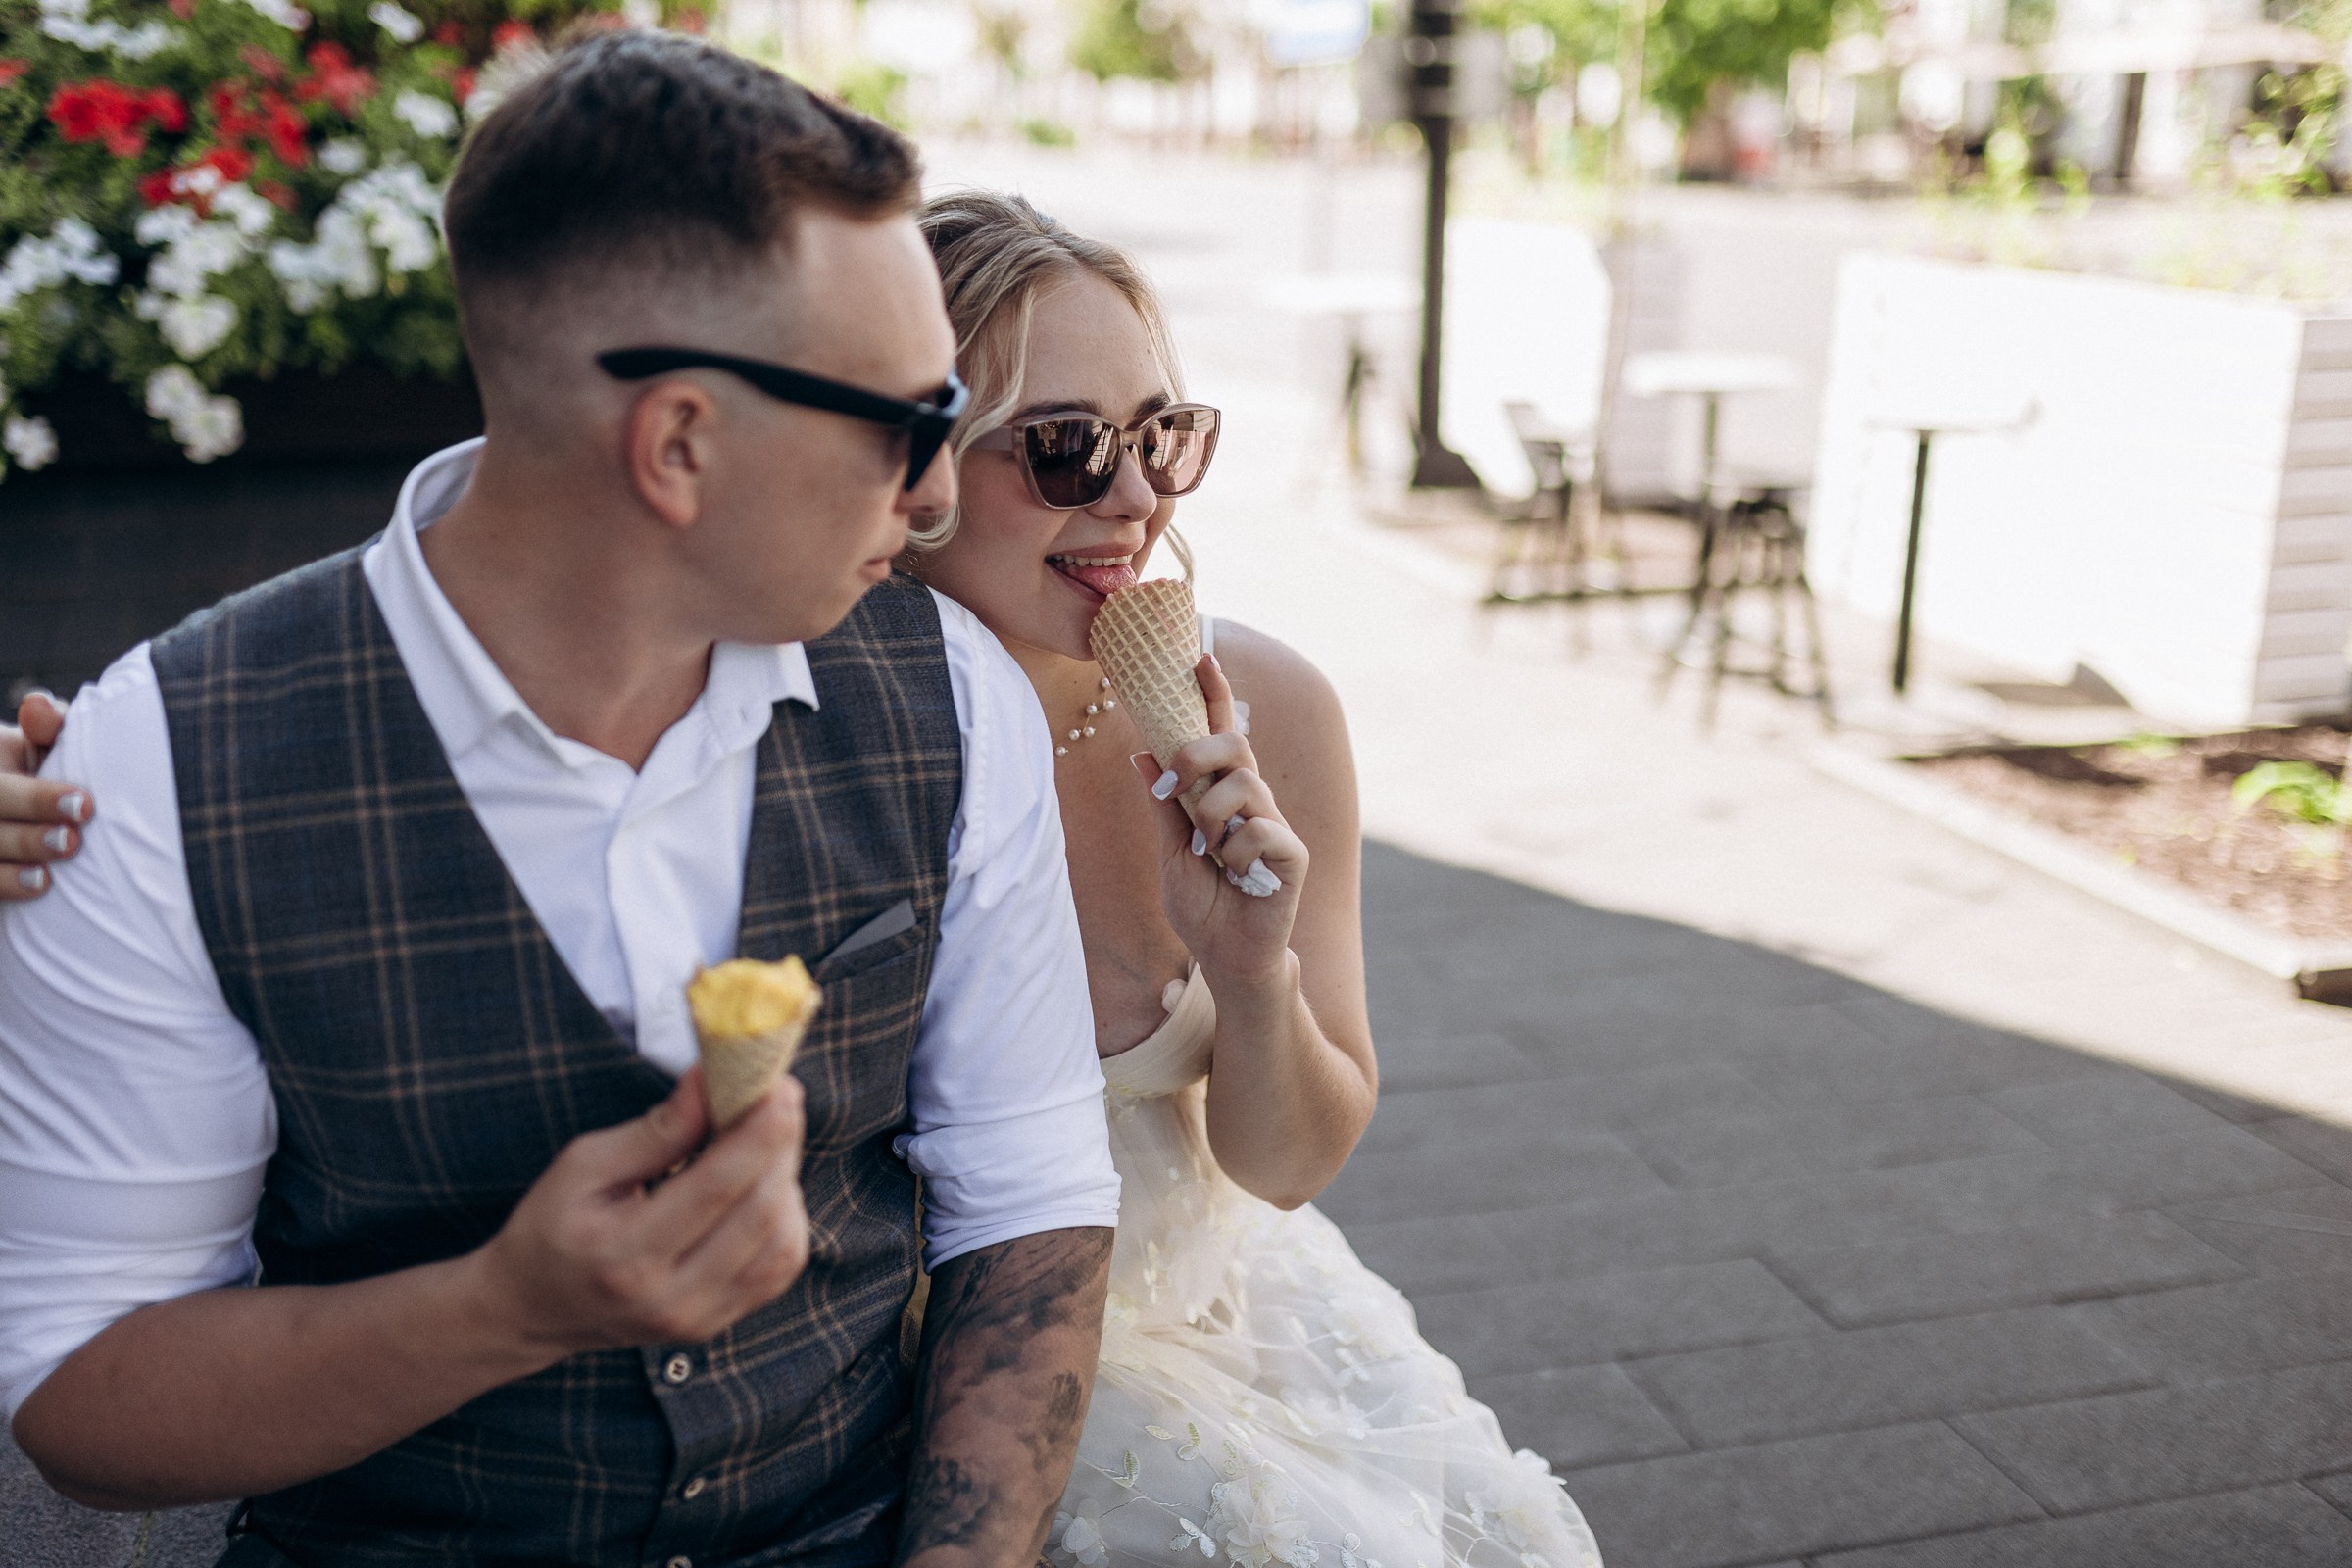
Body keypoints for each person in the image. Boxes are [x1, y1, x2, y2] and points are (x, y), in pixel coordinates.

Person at [1, 147, 1602, 1568]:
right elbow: (88, 1389)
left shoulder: (1118, 705)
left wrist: (1251, 972)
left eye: (1162, 437)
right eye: (1046, 448)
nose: (1133, 502)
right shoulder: (187, 755)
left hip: (1106, 1357)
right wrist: (160, 791)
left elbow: (1146, 1180)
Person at [0, 32, 1122, 1568]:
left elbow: (1032, 1199)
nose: (934, 492)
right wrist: (499, 1312)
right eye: (905, 422)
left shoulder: (946, 688)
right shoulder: (149, 774)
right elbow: (81, 1395)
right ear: (677, 442)